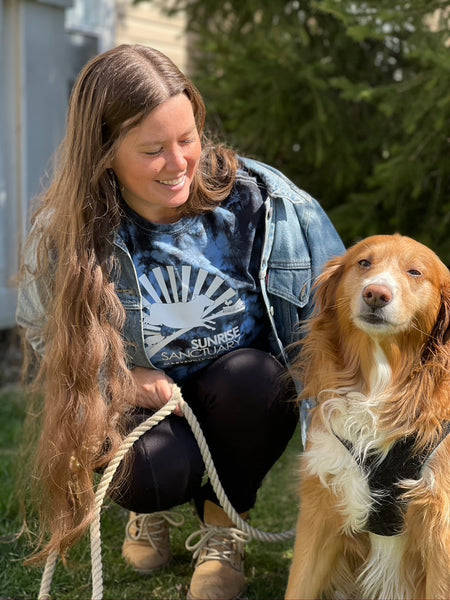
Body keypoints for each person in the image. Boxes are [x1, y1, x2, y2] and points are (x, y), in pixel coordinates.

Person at [16, 44, 344, 600]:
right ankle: (150, 515)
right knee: (148, 472)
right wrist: (116, 379)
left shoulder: (266, 203)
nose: (179, 164)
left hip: (241, 391)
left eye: (187, 139)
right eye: (153, 150)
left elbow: (330, 317)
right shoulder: (66, 229)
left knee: (256, 380)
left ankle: (223, 529)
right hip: (148, 406)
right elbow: (46, 332)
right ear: (105, 153)